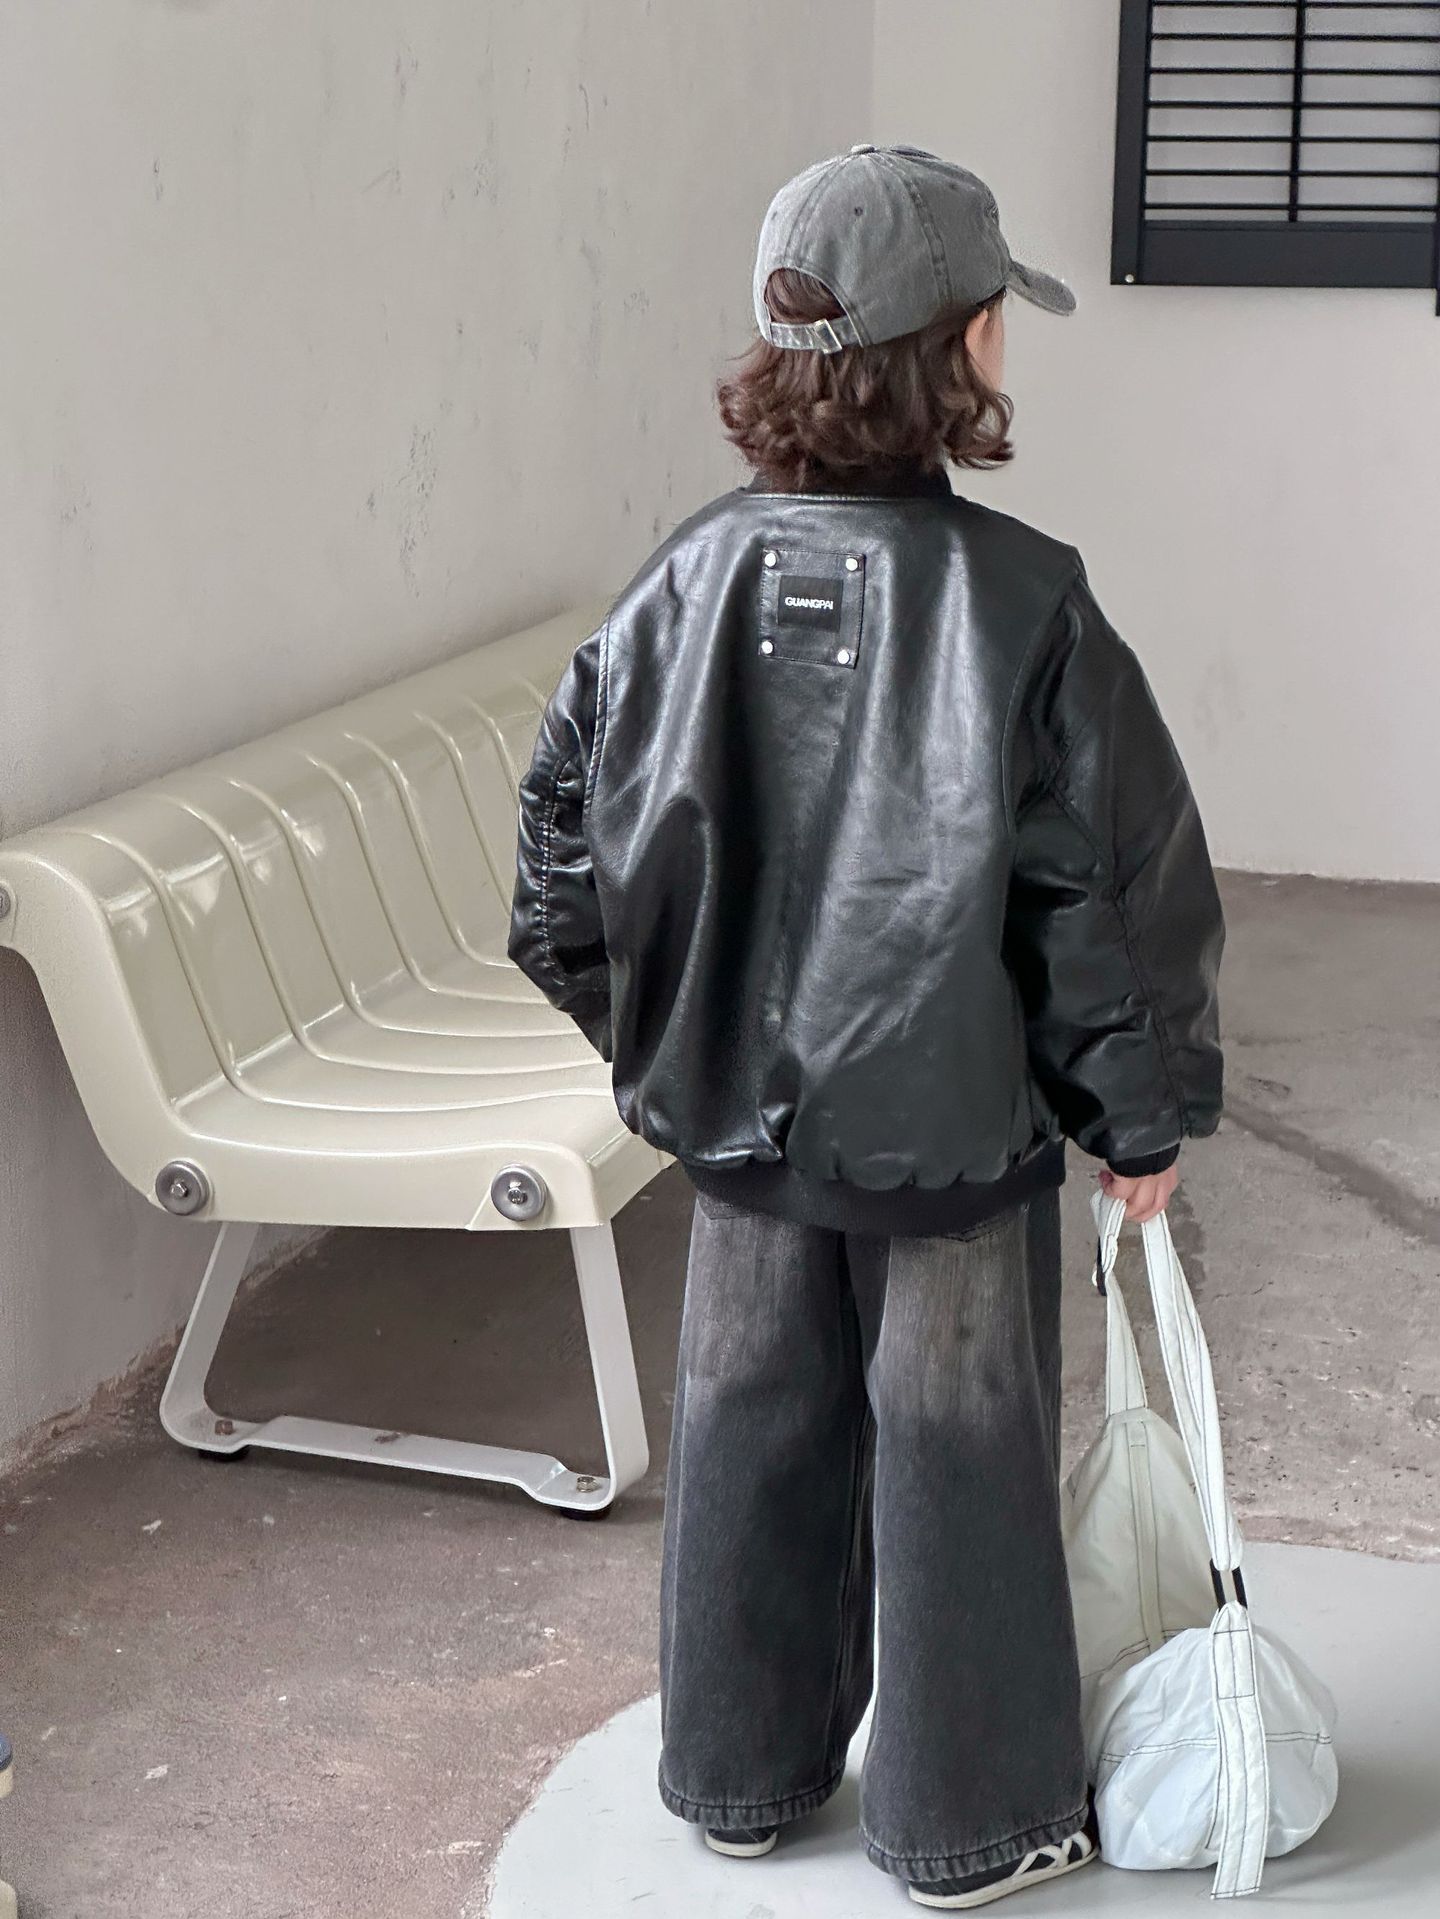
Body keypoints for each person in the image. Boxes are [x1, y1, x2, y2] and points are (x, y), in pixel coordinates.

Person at [508, 144, 1223, 1910]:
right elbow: (1106, 895)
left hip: (742, 1138)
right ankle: (968, 1825)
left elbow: (560, 866)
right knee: (961, 1451)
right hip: (955, 1140)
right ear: (962, 345)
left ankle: (738, 1779)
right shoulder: (1027, 601)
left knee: (747, 1425)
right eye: (998, 317)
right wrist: (1138, 1114)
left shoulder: (678, 584)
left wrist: (676, 1046)